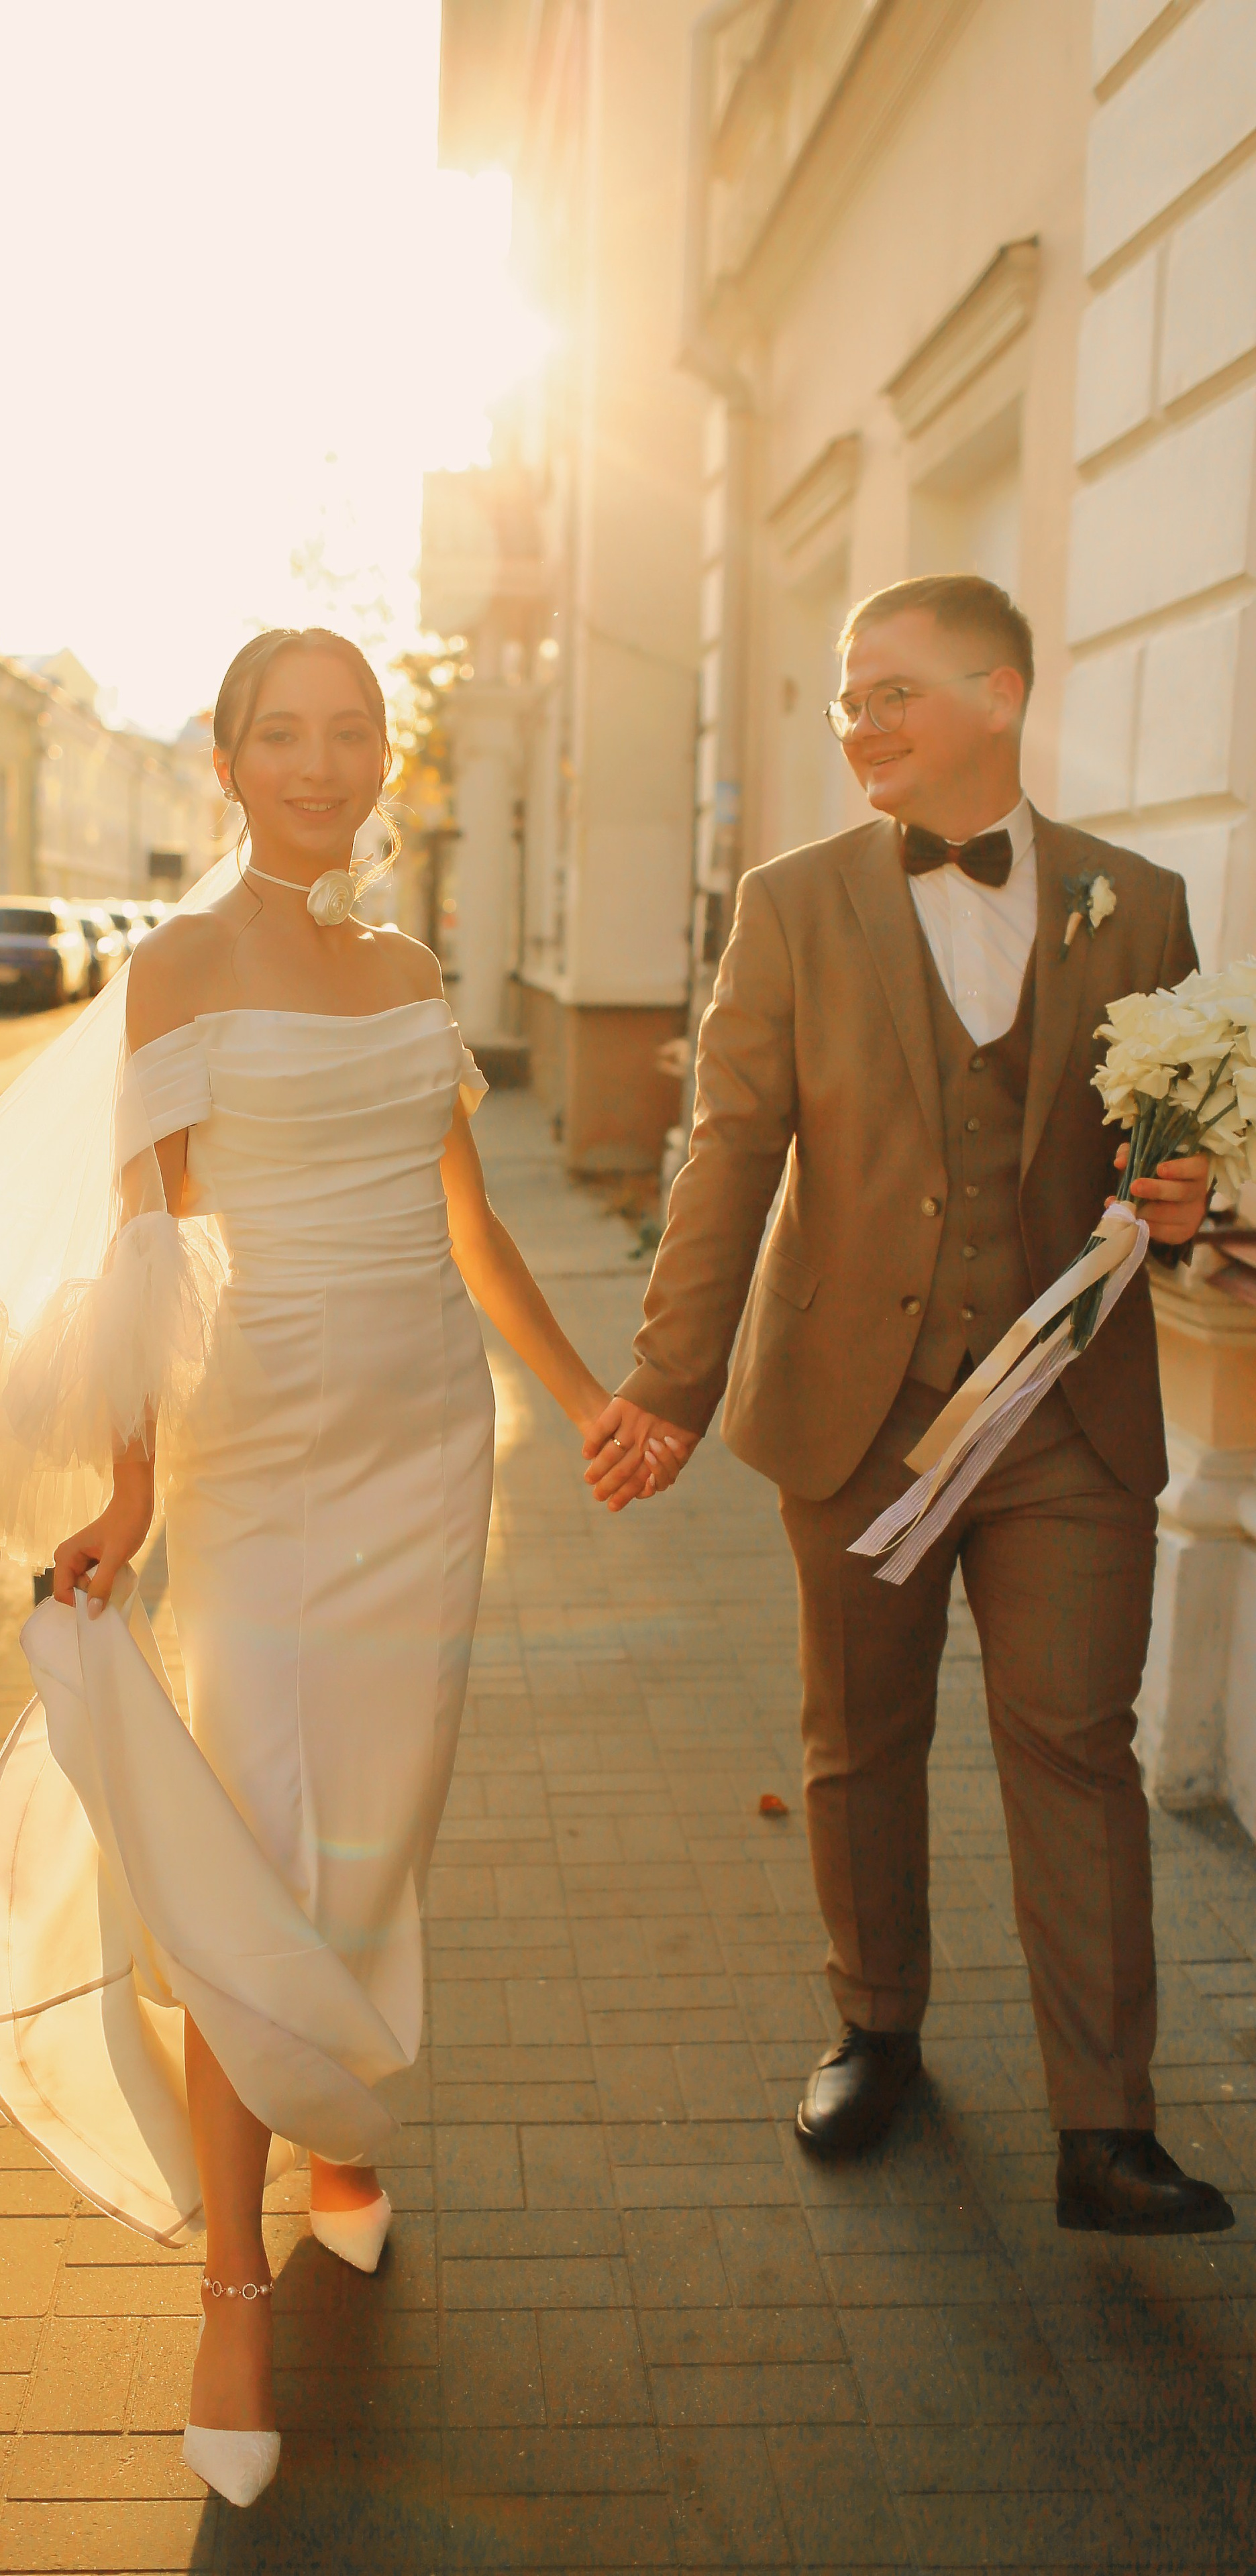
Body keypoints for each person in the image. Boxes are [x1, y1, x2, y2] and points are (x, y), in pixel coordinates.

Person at [0, 626, 649, 2509]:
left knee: (376, 1825)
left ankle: (339, 2124)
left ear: (384, 759)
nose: (319, 759)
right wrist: (127, 1497)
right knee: (256, 1838)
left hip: (429, 1447)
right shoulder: (183, 971)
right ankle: (230, 2277)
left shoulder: (417, 965)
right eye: (280, 734)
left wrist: (597, 1400)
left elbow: (470, 1222)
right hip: (261, 1453)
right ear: (226, 762)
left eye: (350, 730)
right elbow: (144, 1248)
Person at [584, 575, 1234, 2239]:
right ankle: (874, 2029)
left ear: (998, 695)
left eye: (891, 691)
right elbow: (728, 1151)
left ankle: (1105, 2129)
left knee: (1075, 1750)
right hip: (855, 1405)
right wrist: (665, 1382)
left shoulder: (1136, 903)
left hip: (1065, 1421)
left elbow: (1169, 1154)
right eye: (843, 697)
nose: (856, 720)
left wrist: (1184, 1195)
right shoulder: (790, 905)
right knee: (860, 1739)